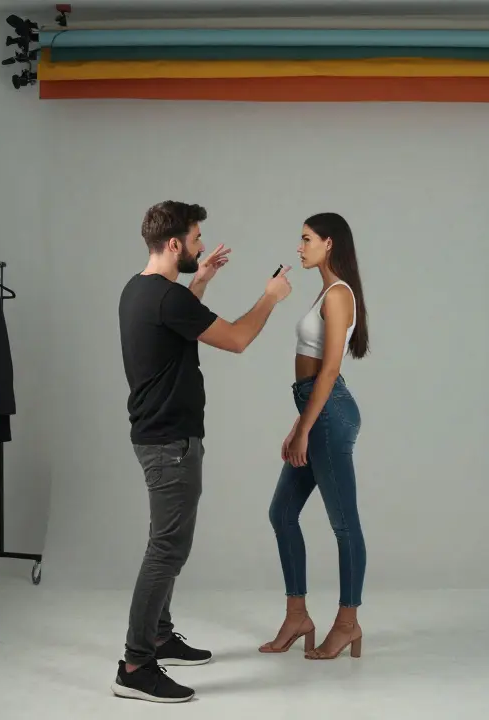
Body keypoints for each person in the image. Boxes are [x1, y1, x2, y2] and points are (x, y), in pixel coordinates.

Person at [113, 200, 293, 703]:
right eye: (195, 241)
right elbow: (236, 339)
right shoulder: (168, 300)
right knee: (167, 548)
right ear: (173, 244)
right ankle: (134, 664)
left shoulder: (139, 290)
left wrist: (202, 281)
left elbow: (175, 321)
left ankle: (159, 635)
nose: (199, 247)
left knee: (165, 543)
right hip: (170, 442)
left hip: (159, 437)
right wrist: (271, 296)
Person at [260, 212, 369, 661]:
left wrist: (305, 426)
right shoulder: (325, 293)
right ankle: (297, 615)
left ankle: (347, 623)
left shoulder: (339, 295)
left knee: (344, 524)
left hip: (327, 414)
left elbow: (329, 370)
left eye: (306, 240)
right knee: (282, 513)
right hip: (315, 411)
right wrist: (298, 424)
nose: (300, 248)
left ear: (329, 243)